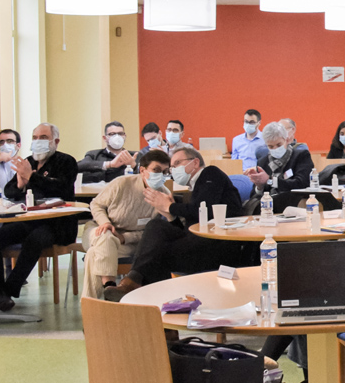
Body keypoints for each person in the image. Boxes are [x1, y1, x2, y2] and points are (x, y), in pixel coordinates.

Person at [108, 147, 246, 298]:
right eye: (172, 167)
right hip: (201, 240)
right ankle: (135, 283)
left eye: (177, 163)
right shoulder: (195, 186)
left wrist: (170, 206)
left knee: (157, 253)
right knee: (156, 226)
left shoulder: (210, 173)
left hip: (219, 243)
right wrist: (170, 216)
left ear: (195, 162)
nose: (174, 169)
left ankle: (139, 290)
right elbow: (190, 228)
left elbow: (203, 210)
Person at [0, 123, 80, 312]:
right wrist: (20, 184)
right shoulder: (28, 162)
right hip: (31, 220)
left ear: (56, 141)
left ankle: (9, 289)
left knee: (35, 239)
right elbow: (9, 191)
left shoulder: (67, 161)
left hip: (58, 224)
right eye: (35, 137)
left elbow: (62, 188)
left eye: (43, 137)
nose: (38, 141)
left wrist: (31, 177)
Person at [82, 149, 170, 299]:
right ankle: (109, 286)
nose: (161, 175)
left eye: (165, 171)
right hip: (97, 230)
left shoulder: (164, 195)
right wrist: (105, 223)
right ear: (142, 170)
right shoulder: (121, 183)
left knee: (93, 254)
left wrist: (125, 238)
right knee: (105, 237)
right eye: (156, 170)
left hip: (129, 242)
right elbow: (96, 205)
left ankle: (93, 303)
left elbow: (153, 232)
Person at [243, 121, 315, 208]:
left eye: (279, 145)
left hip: (293, 203)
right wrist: (259, 186)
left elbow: (302, 184)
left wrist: (270, 180)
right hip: (268, 206)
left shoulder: (301, 156)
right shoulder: (262, 162)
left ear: (286, 140)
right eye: (271, 146)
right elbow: (255, 196)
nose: (275, 149)